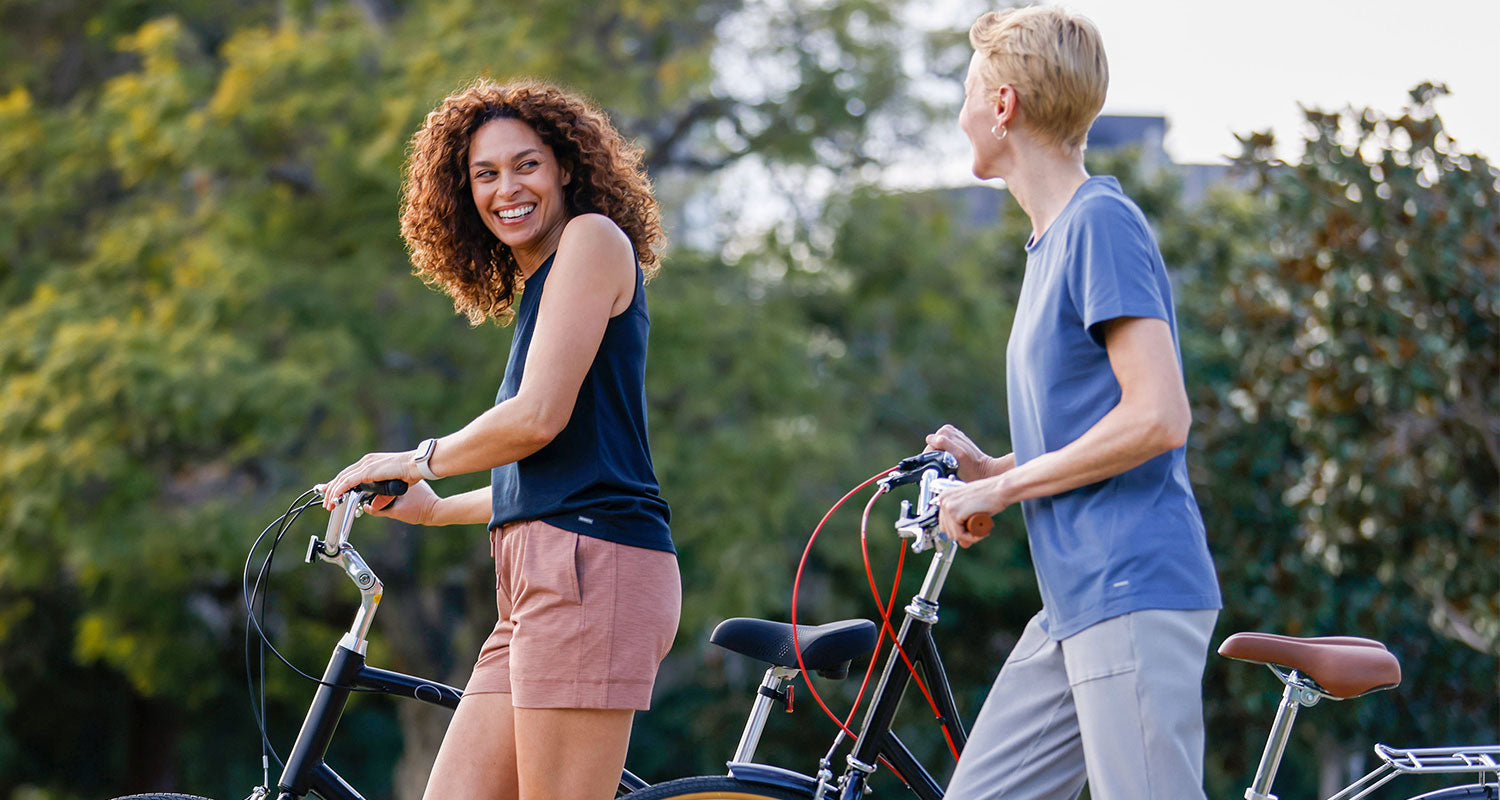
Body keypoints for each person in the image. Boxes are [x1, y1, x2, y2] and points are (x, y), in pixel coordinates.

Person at [318, 79, 679, 800]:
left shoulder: (592, 240)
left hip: (594, 564)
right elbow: (556, 469)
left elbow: (536, 418)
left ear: (567, 168)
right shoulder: (541, 289)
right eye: (485, 174)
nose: (505, 189)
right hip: (537, 573)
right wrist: (433, 506)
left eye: (527, 165)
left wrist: (417, 459)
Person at [926, 7, 1222, 800]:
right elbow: (1097, 426)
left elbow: (1159, 417)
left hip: (1131, 584)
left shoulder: (1101, 223)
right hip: (1073, 604)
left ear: (1002, 106)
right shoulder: (1052, 239)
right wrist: (993, 466)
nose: (959, 117)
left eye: (966, 95)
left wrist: (1002, 488)